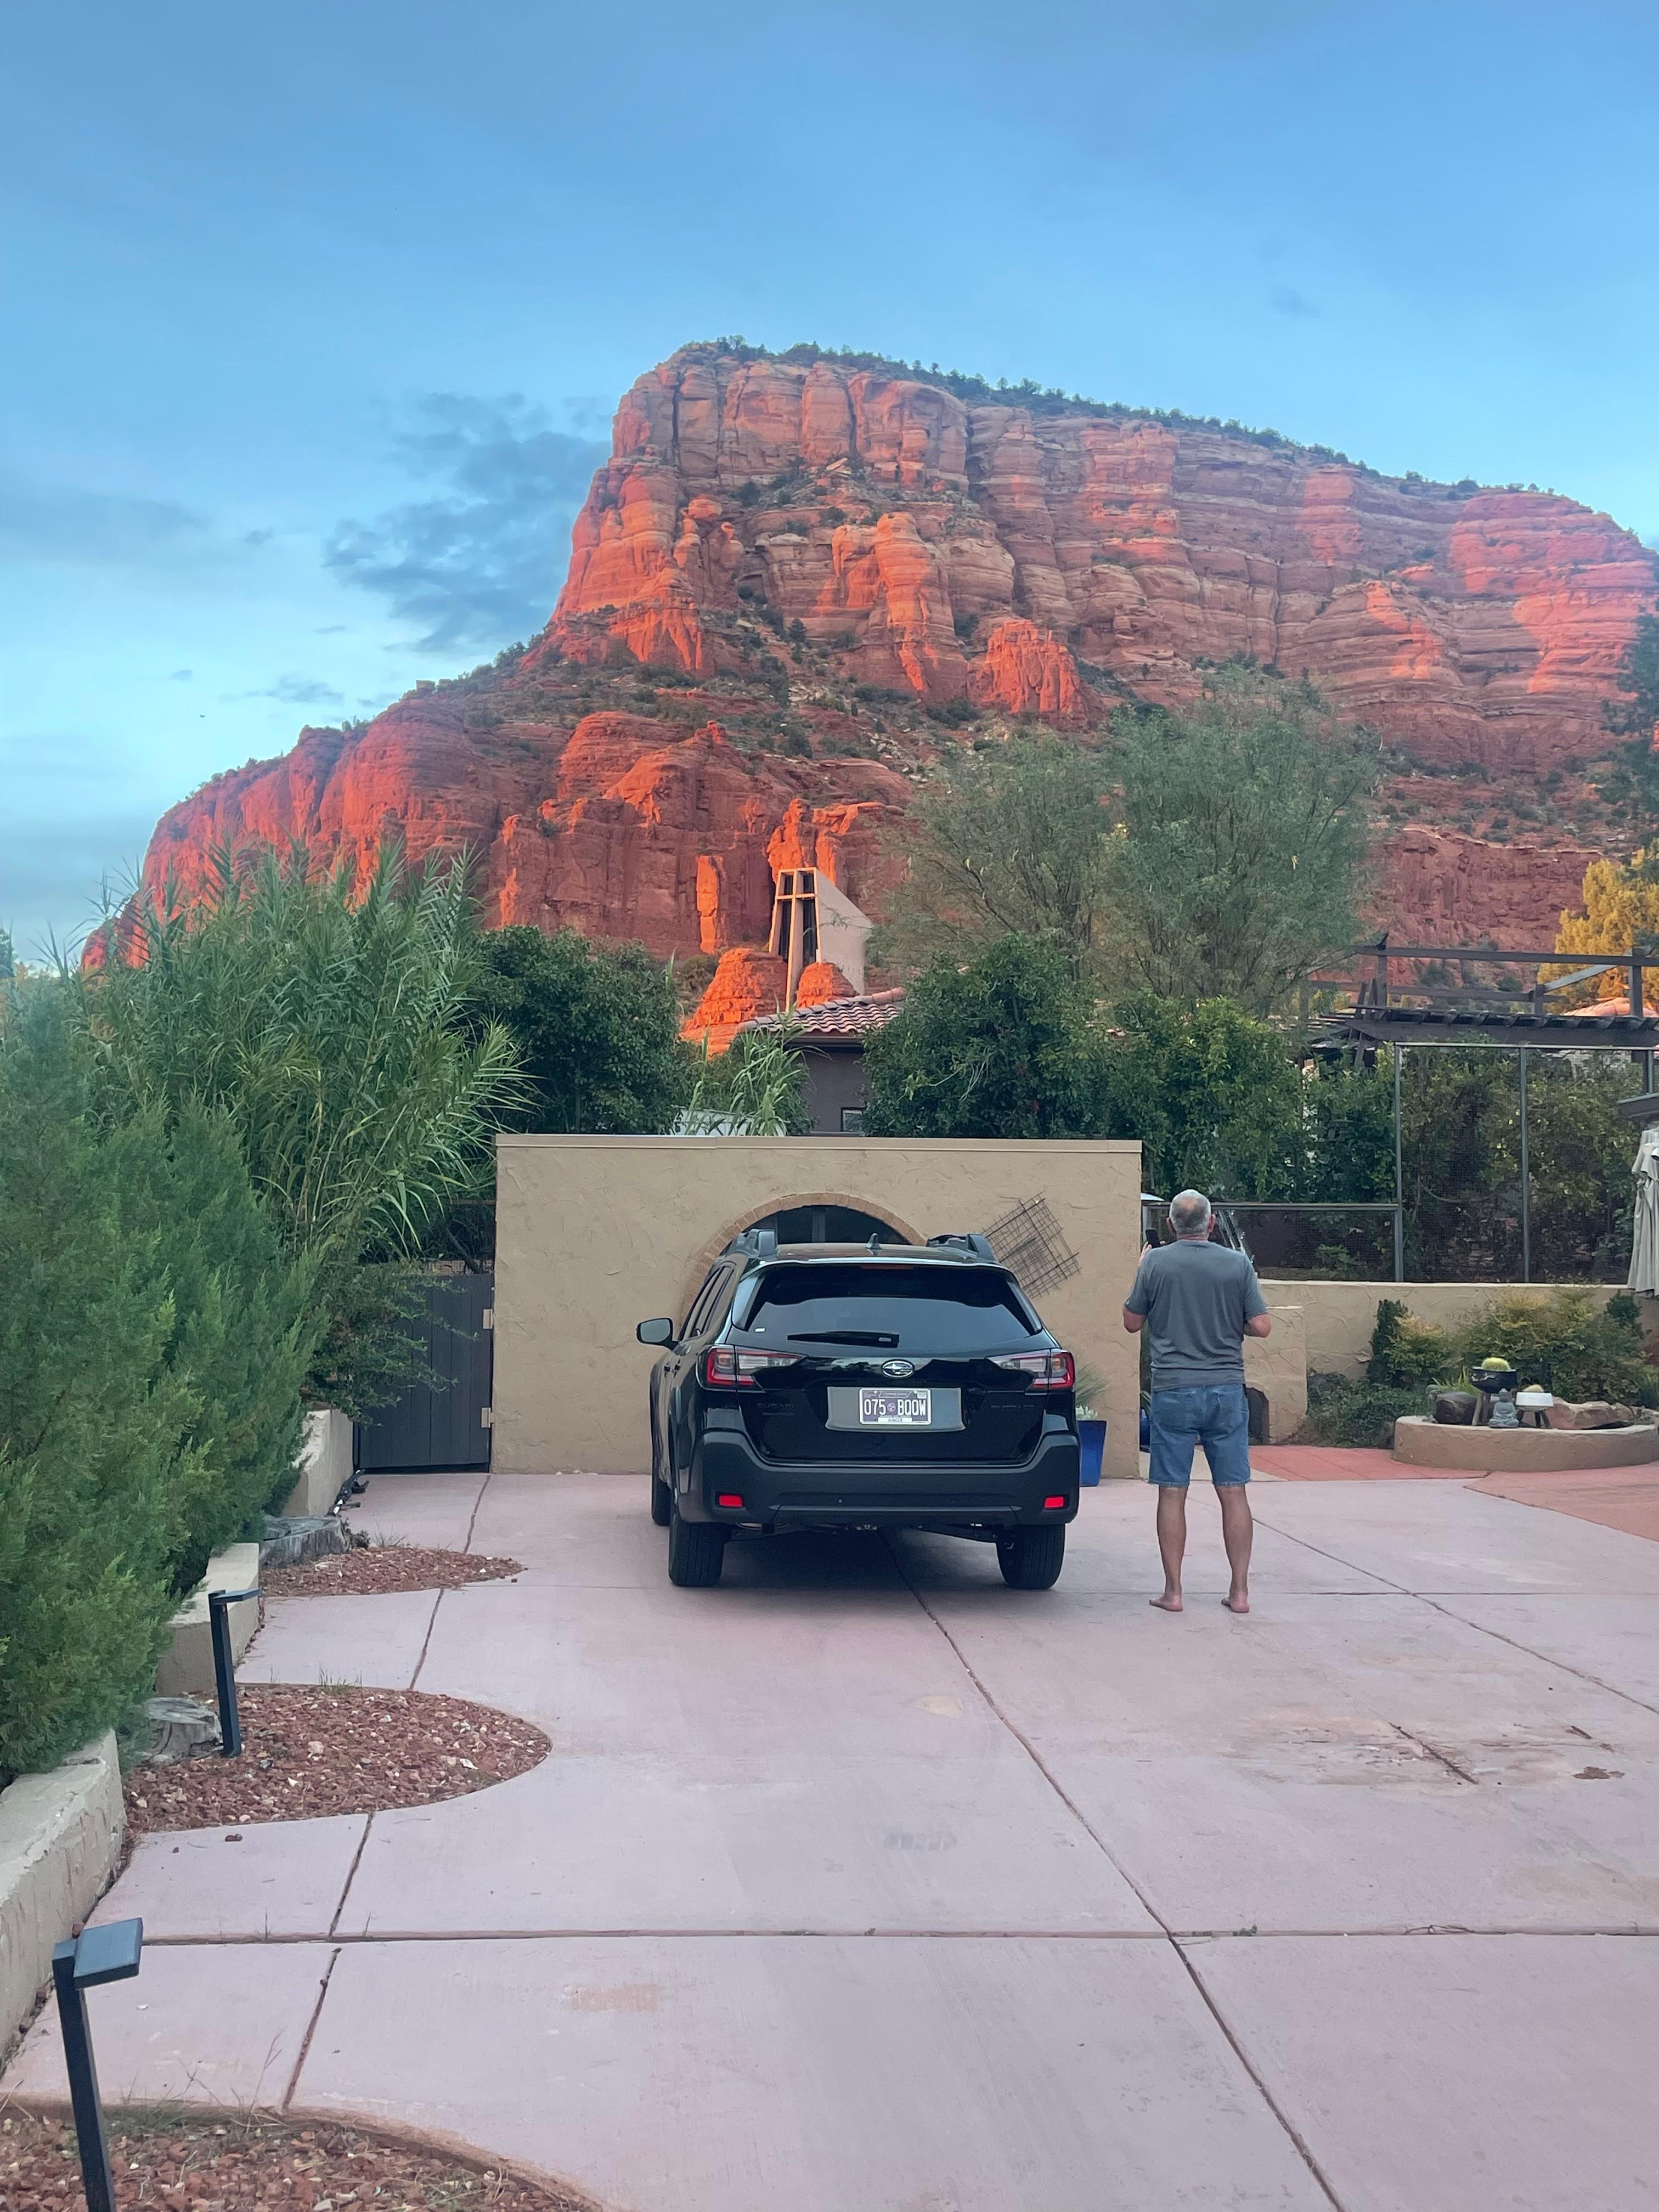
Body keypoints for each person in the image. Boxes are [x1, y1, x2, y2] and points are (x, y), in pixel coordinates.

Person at [1122, 1189, 1270, 1615]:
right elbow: (1262, 1326)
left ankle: (1174, 1592)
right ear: (1210, 1223)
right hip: (1226, 1390)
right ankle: (1240, 1593)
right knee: (1233, 1491)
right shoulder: (1237, 1265)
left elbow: (1132, 1323)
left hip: (1173, 1390)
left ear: (1171, 1225)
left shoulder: (1155, 1263)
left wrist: (1140, 1270)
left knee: (1172, 1491)